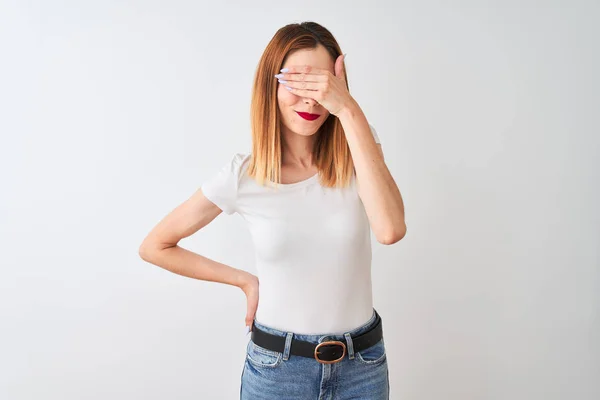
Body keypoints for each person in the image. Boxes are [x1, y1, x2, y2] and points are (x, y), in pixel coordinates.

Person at [139, 21, 406, 400]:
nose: (311, 100)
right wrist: (245, 281)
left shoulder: (358, 151)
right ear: (271, 85)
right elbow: (155, 245)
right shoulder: (244, 176)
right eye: (297, 83)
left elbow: (390, 229)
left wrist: (347, 109)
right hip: (277, 372)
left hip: (361, 368)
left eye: (322, 86)